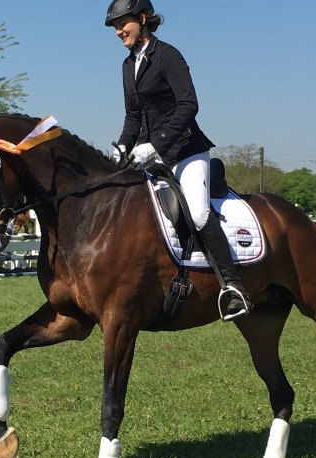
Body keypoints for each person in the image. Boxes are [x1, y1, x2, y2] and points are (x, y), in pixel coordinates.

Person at [106, 0, 250, 320]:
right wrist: (121, 149)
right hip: (152, 158)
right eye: (114, 27)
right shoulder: (127, 66)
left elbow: (189, 105)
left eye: (122, 24)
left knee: (197, 214)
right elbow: (133, 116)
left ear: (142, 19)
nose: (118, 31)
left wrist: (156, 143)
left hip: (186, 152)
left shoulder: (168, 55)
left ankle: (233, 287)